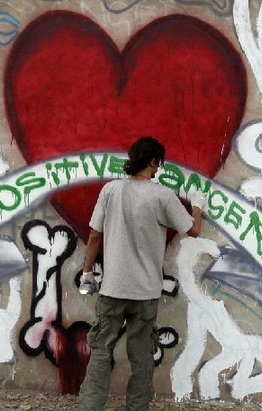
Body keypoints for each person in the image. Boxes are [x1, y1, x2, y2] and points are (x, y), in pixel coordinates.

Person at [77, 136, 207, 411]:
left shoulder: (111, 191)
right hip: (145, 292)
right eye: (160, 162)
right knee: (141, 356)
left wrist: (87, 273)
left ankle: (89, 407)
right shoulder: (162, 196)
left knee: (100, 351)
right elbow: (193, 230)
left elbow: (94, 236)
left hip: (112, 289)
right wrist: (197, 205)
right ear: (153, 161)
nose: (160, 167)